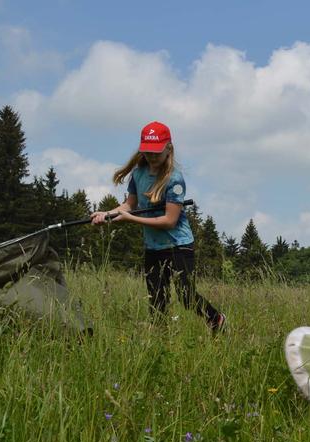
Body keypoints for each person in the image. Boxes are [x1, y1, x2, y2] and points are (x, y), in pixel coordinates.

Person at [91, 121, 226, 334]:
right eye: (147, 152)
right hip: (152, 246)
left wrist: (130, 219)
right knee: (156, 299)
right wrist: (107, 214)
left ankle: (215, 319)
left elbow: (169, 221)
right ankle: (161, 339)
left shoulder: (174, 179)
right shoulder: (138, 174)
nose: (152, 157)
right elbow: (129, 205)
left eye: (156, 152)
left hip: (178, 245)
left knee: (186, 295)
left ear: (168, 148)